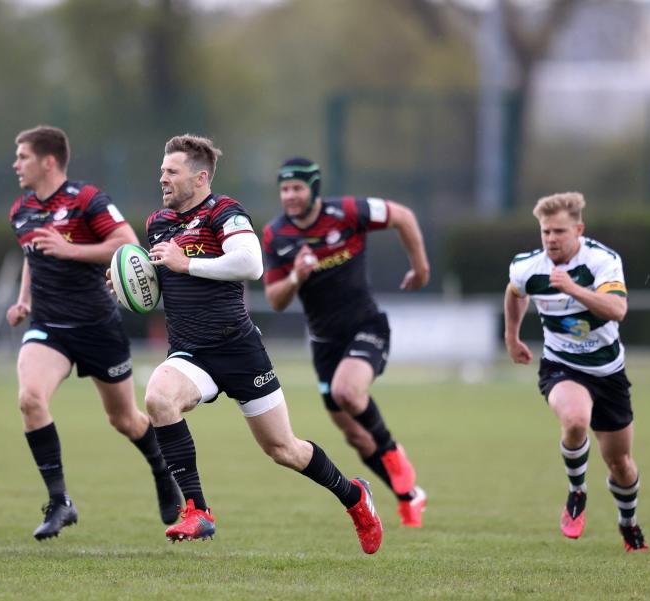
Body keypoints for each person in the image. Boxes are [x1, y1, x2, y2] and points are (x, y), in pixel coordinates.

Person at [131, 134, 382, 553]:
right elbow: (162, 283)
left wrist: (185, 262)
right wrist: (128, 283)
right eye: (161, 171)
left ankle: (354, 496)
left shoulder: (224, 212)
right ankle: (197, 511)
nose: (163, 179)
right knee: (159, 398)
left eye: (171, 172)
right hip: (191, 352)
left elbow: (251, 263)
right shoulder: (159, 223)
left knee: (283, 449)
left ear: (201, 177)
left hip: (239, 349)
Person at [6, 125, 181, 541]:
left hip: (97, 327)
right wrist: (24, 300)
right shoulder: (21, 210)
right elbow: (32, 254)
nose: (16, 164)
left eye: (23, 156)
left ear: (49, 161)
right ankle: (60, 500)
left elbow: (126, 243)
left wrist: (71, 250)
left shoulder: (87, 201)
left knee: (123, 419)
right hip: (48, 327)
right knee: (30, 400)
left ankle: (161, 470)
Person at [260, 158, 429, 527]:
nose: (289, 196)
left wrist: (421, 267)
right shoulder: (276, 235)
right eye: (284, 189)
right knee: (354, 435)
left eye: (297, 188)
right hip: (324, 344)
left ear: (314, 189)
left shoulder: (348, 212)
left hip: (366, 326)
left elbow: (402, 216)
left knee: (347, 393)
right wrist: (296, 277)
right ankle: (409, 496)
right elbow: (275, 299)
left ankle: (393, 454)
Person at [504, 192, 647, 552]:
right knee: (574, 420)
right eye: (545, 232)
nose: (551, 239)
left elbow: (617, 309)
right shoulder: (528, 266)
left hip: (608, 372)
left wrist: (572, 288)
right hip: (561, 366)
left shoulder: (602, 261)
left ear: (579, 230)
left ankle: (628, 523)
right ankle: (576, 492)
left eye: (559, 232)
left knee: (621, 464)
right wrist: (512, 336)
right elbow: (514, 291)